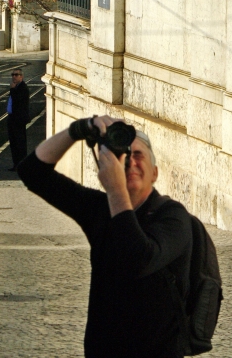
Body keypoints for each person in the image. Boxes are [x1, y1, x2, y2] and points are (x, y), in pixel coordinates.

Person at [18, 117, 192, 357]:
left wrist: (115, 189)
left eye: (138, 155)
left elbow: (138, 259)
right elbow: (32, 172)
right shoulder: (100, 209)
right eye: (124, 155)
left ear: (154, 173)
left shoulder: (173, 217)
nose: (130, 162)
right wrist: (78, 130)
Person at [7, 69, 31, 170]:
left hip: (18, 119)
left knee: (19, 143)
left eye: (16, 75)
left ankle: (21, 164)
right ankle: (16, 164)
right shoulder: (17, 87)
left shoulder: (23, 88)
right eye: (13, 75)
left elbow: (18, 100)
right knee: (13, 142)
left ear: (21, 76)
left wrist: (12, 90)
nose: (14, 77)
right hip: (12, 118)